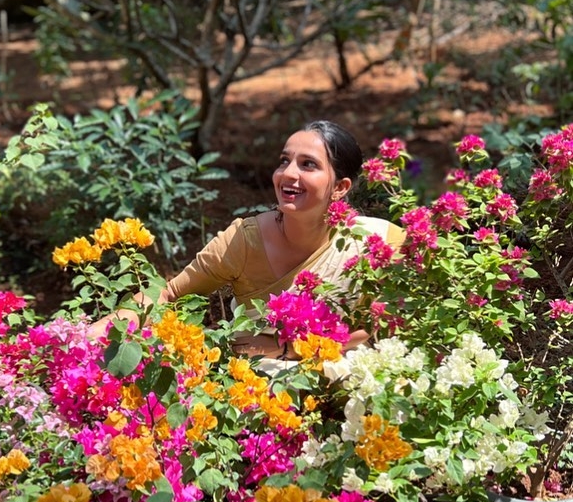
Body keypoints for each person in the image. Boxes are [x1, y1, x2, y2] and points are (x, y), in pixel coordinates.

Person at [88, 120, 404, 356]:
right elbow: (170, 295)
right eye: (284, 160)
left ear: (341, 187)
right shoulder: (244, 240)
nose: (288, 173)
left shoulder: (379, 243)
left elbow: (384, 324)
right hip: (262, 389)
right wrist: (106, 328)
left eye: (308, 164)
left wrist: (284, 348)